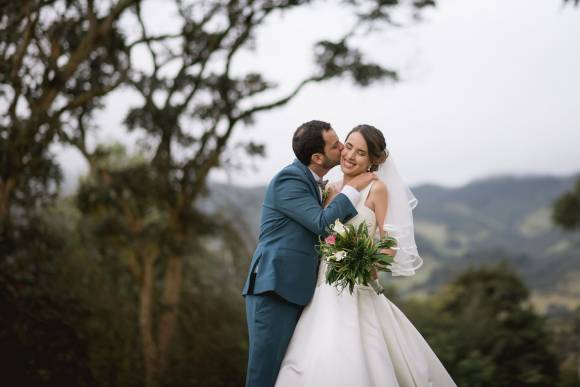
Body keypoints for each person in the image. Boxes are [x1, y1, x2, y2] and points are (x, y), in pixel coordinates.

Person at [275, 124, 457, 387]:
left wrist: (368, 262)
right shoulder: (328, 190)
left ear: (374, 160)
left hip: (356, 288)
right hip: (320, 290)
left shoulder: (377, 189)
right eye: (348, 146)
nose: (350, 156)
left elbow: (390, 241)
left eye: (361, 153)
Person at [241, 120, 377, 387]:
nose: (343, 148)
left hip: (299, 290)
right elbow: (322, 223)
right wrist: (354, 188)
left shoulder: (318, 184)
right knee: (264, 375)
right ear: (318, 157)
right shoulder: (289, 179)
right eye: (336, 144)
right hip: (274, 288)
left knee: (288, 374)